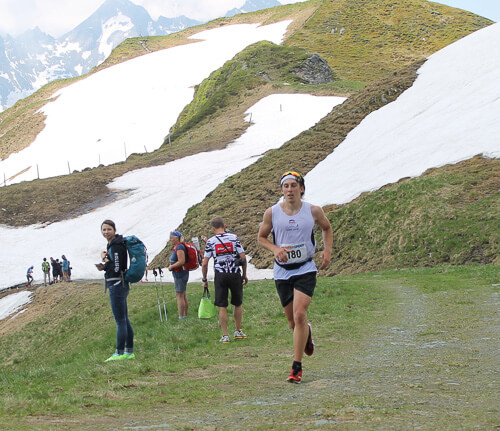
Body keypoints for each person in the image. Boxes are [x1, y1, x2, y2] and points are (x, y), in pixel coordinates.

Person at [257, 171, 333, 384]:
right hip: (282, 271)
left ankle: (296, 367)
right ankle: (305, 333)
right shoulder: (272, 213)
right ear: (282, 190)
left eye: (293, 185)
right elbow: (261, 238)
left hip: (305, 267)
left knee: (300, 314)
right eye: (286, 186)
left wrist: (327, 251)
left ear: (301, 188)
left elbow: (327, 228)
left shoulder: (313, 211)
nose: (290, 189)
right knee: (293, 322)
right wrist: (275, 249)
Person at [201, 217, 248, 343]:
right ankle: (238, 331)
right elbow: (243, 257)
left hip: (220, 275)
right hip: (234, 273)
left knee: (222, 305)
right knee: (237, 303)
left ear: (213, 228)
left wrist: (204, 279)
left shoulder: (211, 241)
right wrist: (244, 274)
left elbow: (204, 263)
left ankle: (225, 335)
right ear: (225, 226)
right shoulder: (234, 238)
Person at [96, 219, 135, 362]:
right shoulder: (115, 244)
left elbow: (116, 267)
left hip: (117, 284)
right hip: (121, 283)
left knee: (120, 321)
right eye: (104, 230)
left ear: (114, 230)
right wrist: (106, 262)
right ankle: (129, 352)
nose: (106, 232)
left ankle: (119, 353)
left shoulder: (116, 246)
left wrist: (105, 259)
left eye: (109, 229)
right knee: (124, 319)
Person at [167, 231, 189, 319]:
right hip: (181, 273)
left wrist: (171, 267)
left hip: (180, 274)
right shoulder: (179, 246)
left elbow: (181, 261)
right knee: (183, 294)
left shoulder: (179, 247)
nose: (170, 240)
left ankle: (181, 316)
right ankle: (185, 315)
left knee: (179, 295)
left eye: (171, 238)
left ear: (176, 238)